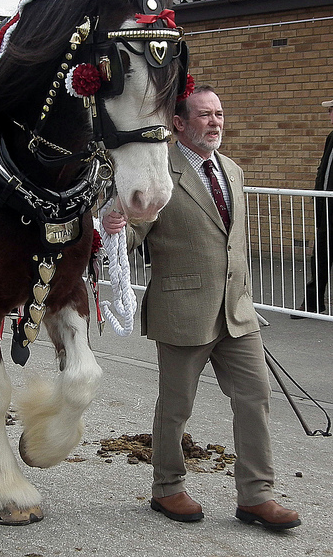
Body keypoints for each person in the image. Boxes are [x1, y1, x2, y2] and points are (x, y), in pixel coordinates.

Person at [103, 85, 300, 530]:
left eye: (220, 114)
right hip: (182, 310)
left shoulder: (232, 169)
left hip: (236, 312)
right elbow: (134, 237)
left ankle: (256, 495)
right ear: (179, 123)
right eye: (205, 115)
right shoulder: (160, 174)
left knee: (255, 399)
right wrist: (113, 225)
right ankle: (167, 488)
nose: (215, 122)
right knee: (176, 407)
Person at [293, 98, 333, 317]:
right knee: (319, 259)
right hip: (327, 211)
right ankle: (313, 303)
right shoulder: (331, 138)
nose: (329, 115)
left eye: (332, 111)